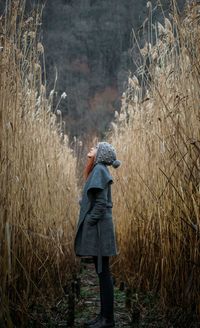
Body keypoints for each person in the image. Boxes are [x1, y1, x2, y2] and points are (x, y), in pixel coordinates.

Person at [74, 141, 121, 328]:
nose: (91, 148)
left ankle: (107, 319)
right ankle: (103, 316)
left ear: (100, 154)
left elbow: (101, 204)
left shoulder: (100, 169)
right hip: (99, 229)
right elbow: (95, 199)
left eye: (95, 147)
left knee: (103, 273)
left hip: (100, 230)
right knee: (102, 272)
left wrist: (90, 221)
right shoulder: (98, 169)